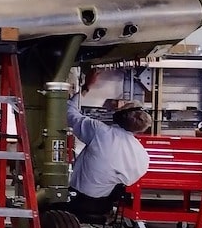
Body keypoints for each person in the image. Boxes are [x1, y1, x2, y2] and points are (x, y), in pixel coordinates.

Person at [64, 73, 151, 220]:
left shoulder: (100, 132)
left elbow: (69, 112)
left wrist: (86, 88)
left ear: (118, 117)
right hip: (103, 206)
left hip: (76, 200)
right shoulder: (142, 155)